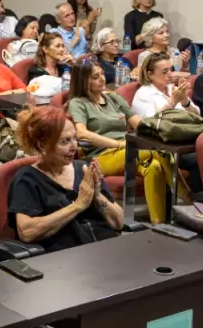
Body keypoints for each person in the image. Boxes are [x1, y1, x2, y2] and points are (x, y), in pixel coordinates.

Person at [67, 61, 172, 223]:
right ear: (83, 81)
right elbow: (81, 133)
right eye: (95, 77)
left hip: (126, 149)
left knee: (154, 166)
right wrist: (117, 144)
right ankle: (186, 198)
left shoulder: (113, 98)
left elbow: (139, 125)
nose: (102, 79)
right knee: (160, 151)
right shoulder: (78, 103)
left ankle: (158, 224)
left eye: (102, 74)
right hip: (100, 156)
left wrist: (164, 124)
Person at [9, 105, 124, 252]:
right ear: (42, 145)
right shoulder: (27, 179)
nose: (74, 146)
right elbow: (26, 232)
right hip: (67, 258)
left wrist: (97, 195)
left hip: (107, 250)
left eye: (75, 138)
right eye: (65, 141)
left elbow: (119, 222)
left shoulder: (84, 170)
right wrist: (77, 206)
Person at [130, 51, 202, 189]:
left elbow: (197, 116)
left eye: (171, 69)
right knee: (199, 159)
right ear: (150, 74)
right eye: (164, 71)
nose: (170, 74)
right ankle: (197, 198)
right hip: (161, 147)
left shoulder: (171, 89)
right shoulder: (144, 94)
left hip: (184, 139)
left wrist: (185, 100)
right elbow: (150, 125)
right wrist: (173, 102)